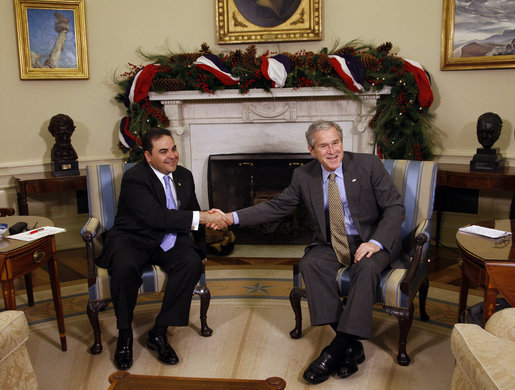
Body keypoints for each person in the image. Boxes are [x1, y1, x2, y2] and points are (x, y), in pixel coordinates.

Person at [217, 120, 405, 384]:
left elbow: (395, 207)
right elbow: (276, 206)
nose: (332, 151)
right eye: (324, 146)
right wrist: (231, 217)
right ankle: (351, 348)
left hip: (371, 239)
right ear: (312, 150)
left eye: (336, 143)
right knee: (310, 264)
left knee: (367, 268)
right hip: (332, 242)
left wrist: (376, 242)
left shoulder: (367, 165)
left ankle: (335, 349)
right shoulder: (303, 175)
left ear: (342, 142)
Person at [96, 127, 230, 370]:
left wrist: (201, 252)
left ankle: (159, 332)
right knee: (124, 267)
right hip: (132, 238)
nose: (172, 156)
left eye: (174, 148)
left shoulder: (184, 176)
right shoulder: (135, 178)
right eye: (164, 151)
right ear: (148, 156)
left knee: (190, 262)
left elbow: (193, 211)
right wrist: (200, 216)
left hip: (167, 239)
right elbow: (157, 217)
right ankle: (124, 335)